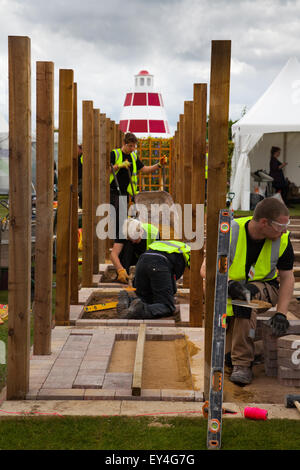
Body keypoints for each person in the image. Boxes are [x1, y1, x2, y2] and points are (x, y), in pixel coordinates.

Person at [200, 197, 294, 385]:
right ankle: (255, 349)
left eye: (287, 226)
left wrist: (281, 314)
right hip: (229, 291)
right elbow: (205, 270)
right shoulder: (230, 232)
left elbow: (287, 277)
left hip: (264, 288)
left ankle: (242, 364)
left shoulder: (282, 240)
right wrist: (227, 285)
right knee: (227, 356)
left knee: (245, 298)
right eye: (280, 226)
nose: (284, 231)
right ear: (264, 222)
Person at [110, 132, 167, 237]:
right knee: (115, 218)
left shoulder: (133, 156)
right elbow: (107, 169)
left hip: (125, 192)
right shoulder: (115, 153)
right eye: (130, 146)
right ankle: (116, 241)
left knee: (122, 219)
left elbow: (144, 169)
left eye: (134, 146)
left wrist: (159, 164)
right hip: (113, 190)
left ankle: (120, 241)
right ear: (124, 143)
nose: (132, 148)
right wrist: (120, 165)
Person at [117, 240, 191, 319]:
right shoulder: (190, 251)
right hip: (159, 264)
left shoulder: (172, 245)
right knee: (168, 307)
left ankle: (129, 299)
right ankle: (139, 310)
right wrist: (169, 299)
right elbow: (197, 274)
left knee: (146, 300)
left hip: (142, 262)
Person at [110, 218, 160, 284]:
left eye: (135, 238)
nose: (133, 241)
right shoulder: (124, 232)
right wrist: (120, 270)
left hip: (147, 257)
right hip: (130, 256)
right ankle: (125, 276)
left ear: (140, 232)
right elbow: (114, 254)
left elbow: (157, 257)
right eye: (130, 239)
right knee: (127, 245)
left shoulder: (153, 232)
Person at [77, 144, 83, 208]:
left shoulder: (82, 157)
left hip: (81, 179)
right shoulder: (78, 157)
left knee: (80, 193)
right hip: (78, 179)